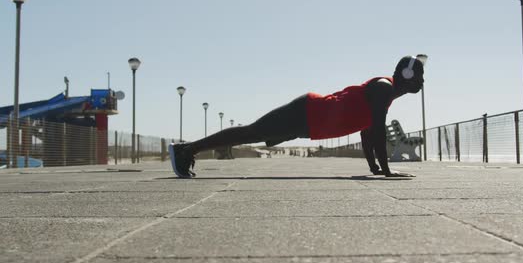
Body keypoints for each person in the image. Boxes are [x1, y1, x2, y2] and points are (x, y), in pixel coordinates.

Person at [169, 55, 425, 178]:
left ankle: (187, 149)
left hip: (311, 123)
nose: (423, 80)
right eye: (420, 74)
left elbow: (368, 131)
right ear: (408, 74)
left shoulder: (387, 93)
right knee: (252, 132)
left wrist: (376, 168)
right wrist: (388, 172)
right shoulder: (384, 87)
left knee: (253, 132)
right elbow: (377, 130)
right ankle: (186, 150)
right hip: (308, 112)